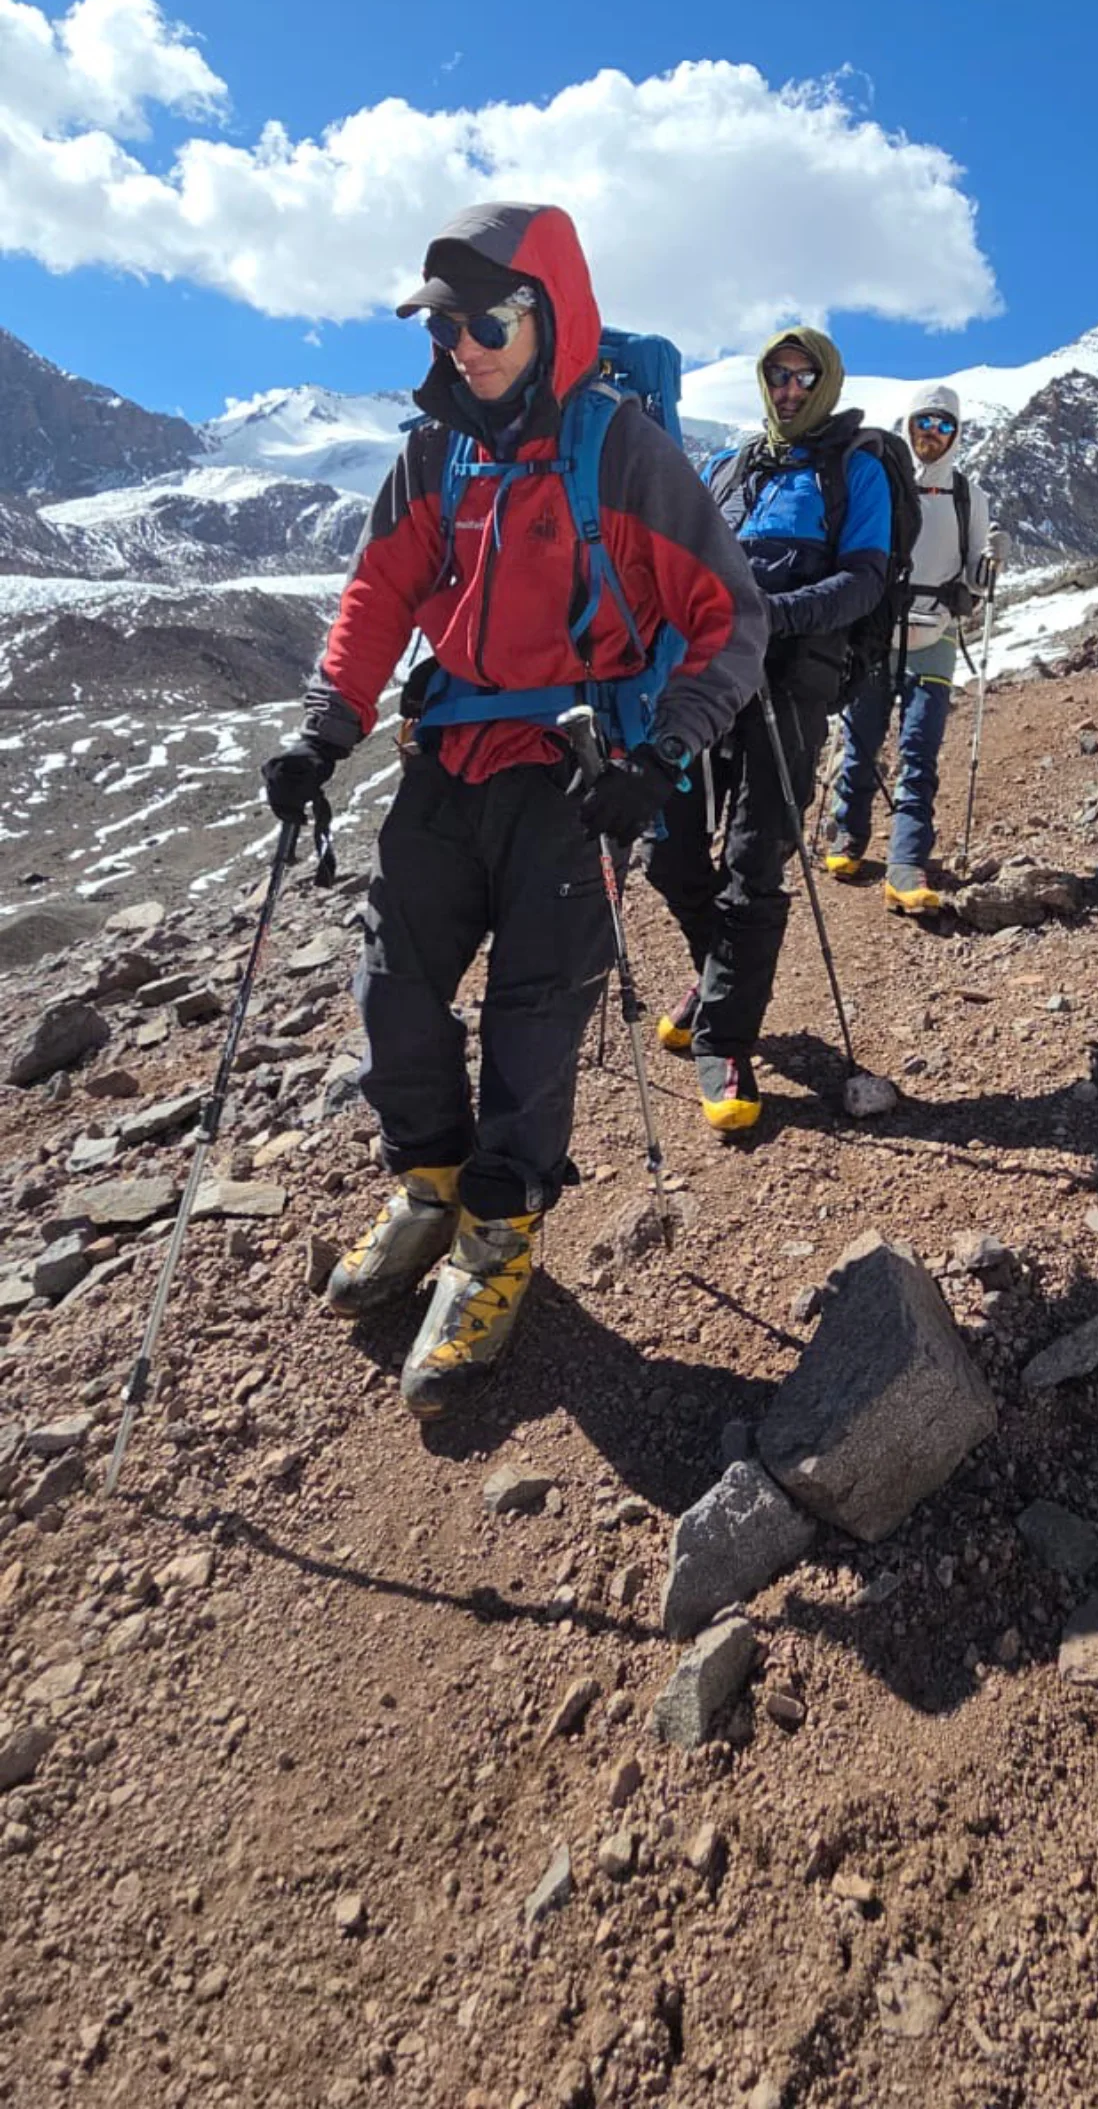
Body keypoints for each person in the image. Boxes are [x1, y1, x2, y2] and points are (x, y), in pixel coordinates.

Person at [260, 202, 766, 1418]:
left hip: (574, 775)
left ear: (548, 314)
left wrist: (664, 753)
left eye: (486, 323)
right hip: (447, 755)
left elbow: (728, 616)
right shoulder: (436, 451)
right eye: (444, 328)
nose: (463, 348)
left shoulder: (620, 450)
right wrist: (326, 726)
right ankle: (429, 1186)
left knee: (535, 1019)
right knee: (393, 987)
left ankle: (498, 1235)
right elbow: (379, 592)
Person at [644, 328, 891, 1134]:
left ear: (827, 381)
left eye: (803, 376)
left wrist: (770, 615)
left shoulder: (855, 467)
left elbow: (865, 579)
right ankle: (720, 975)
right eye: (777, 375)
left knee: (755, 859)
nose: (788, 389)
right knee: (668, 850)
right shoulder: (730, 465)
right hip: (701, 671)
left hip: (791, 678)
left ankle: (725, 1040)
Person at [822, 383, 995, 913]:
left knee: (918, 753)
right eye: (924, 422)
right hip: (878, 636)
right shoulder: (883, 485)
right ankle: (849, 835)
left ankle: (905, 863)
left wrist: (987, 569)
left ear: (957, 433)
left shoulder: (970, 497)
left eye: (943, 425)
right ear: (909, 425)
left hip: (935, 638)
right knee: (861, 744)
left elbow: (976, 575)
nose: (932, 434)